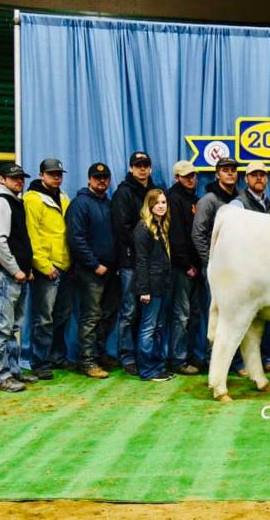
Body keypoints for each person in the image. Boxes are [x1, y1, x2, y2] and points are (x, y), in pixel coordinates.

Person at [0, 163, 36, 392]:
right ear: (2, 179)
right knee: (3, 327)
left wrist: (26, 268)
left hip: (16, 274)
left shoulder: (14, 201)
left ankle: (13, 371)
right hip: (5, 274)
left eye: (21, 178)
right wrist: (15, 269)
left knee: (13, 326)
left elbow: (19, 240)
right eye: (14, 178)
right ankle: (0, 375)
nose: (19, 181)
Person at [191, 156, 244, 376]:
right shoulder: (209, 200)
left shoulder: (241, 199)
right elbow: (198, 234)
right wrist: (211, 262)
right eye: (225, 170)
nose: (230, 173)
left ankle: (236, 361)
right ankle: (213, 360)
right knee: (215, 313)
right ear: (217, 174)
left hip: (238, 268)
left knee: (237, 313)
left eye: (233, 170)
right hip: (216, 269)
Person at [66, 163, 120, 379]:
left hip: (110, 270)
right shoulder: (80, 204)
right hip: (90, 271)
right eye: (97, 177)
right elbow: (76, 239)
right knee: (91, 316)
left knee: (106, 315)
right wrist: (94, 264)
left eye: (105, 177)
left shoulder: (108, 203)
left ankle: (99, 355)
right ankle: (87, 361)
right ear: (89, 179)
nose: (102, 180)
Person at [232, 161, 270, 374]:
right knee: (240, 318)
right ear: (246, 179)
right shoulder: (238, 204)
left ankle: (261, 361)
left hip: (266, 269)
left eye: (262, 174)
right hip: (245, 270)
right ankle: (239, 363)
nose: (259, 178)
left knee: (264, 318)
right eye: (254, 175)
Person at [24, 158, 73, 379]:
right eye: (52, 173)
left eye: (59, 174)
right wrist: (43, 265)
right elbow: (31, 234)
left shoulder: (64, 198)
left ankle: (57, 357)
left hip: (65, 264)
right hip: (47, 267)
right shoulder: (32, 200)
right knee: (44, 317)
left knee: (62, 315)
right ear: (41, 175)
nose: (56, 177)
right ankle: (39, 361)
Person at [112, 151, 157, 376]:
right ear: (131, 168)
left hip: (151, 262)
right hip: (130, 261)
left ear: (150, 168)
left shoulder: (155, 192)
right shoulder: (123, 192)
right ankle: (127, 356)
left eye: (145, 165)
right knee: (129, 311)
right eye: (138, 165)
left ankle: (145, 355)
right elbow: (122, 228)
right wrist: (143, 245)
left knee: (148, 313)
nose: (142, 168)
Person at [134, 189, 175, 382]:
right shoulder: (143, 228)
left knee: (159, 327)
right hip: (151, 286)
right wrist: (144, 290)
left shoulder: (161, 227)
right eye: (157, 203)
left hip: (164, 284)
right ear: (149, 205)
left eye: (163, 202)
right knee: (148, 328)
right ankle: (147, 370)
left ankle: (158, 367)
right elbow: (141, 261)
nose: (161, 206)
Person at [167, 160, 202, 376]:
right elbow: (176, 235)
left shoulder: (194, 199)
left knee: (194, 314)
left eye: (192, 175)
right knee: (182, 314)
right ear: (177, 178)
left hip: (195, 265)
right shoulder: (174, 198)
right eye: (186, 176)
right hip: (183, 267)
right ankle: (178, 359)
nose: (191, 179)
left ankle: (189, 355)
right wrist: (186, 264)